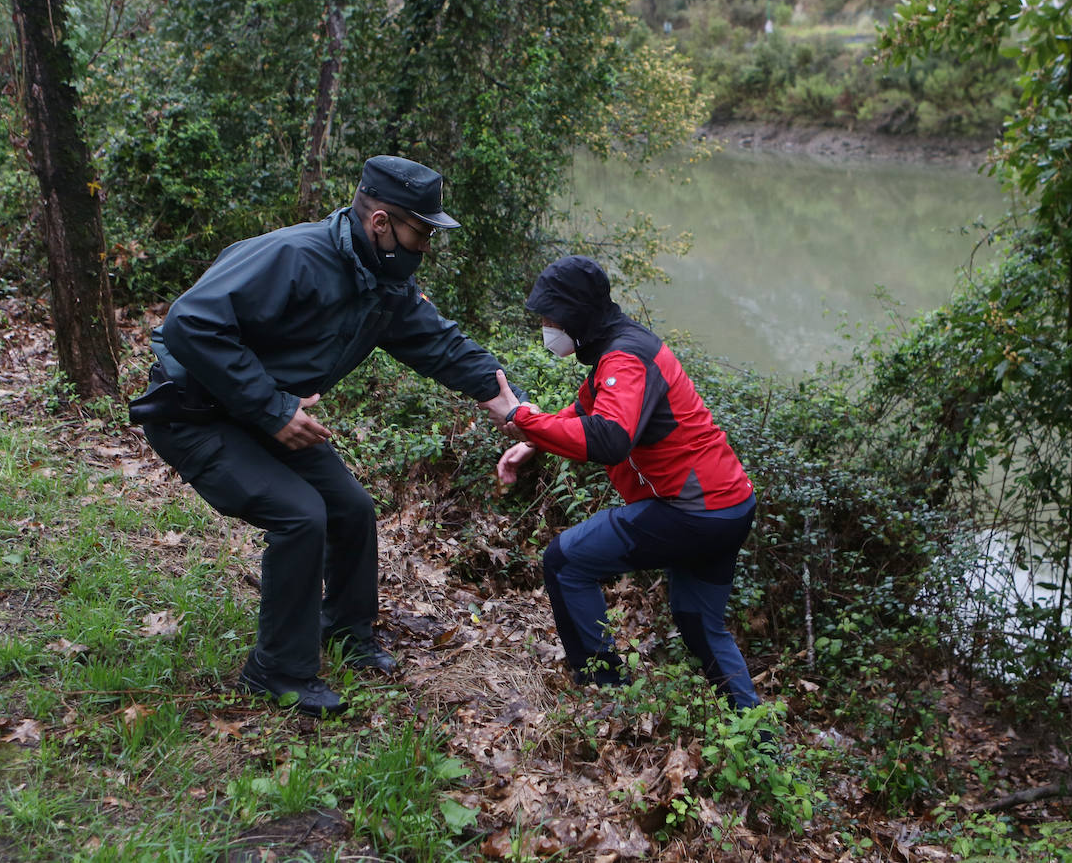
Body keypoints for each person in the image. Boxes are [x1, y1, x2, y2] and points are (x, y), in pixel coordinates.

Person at [131, 155, 523, 717]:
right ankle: (277, 672)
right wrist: (271, 408)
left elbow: (439, 344)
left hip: (261, 413)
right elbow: (189, 323)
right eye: (420, 232)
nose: (425, 248)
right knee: (300, 515)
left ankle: (344, 630)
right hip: (196, 414)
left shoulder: (384, 282)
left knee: (351, 508)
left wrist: (510, 404)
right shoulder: (293, 256)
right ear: (382, 223)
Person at [488, 254, 760, 709]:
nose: (544, 325)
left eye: (550, 316)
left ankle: (604, 694)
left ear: (577, 313)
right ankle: (757, 740)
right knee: (699, 623)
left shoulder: (626, 356)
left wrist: (522, 417)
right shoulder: (620, 347)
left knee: (565, 562)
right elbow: (586, 411)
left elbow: (611, 437)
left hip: (694, 511)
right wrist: (533, 440)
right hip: (730, 507)